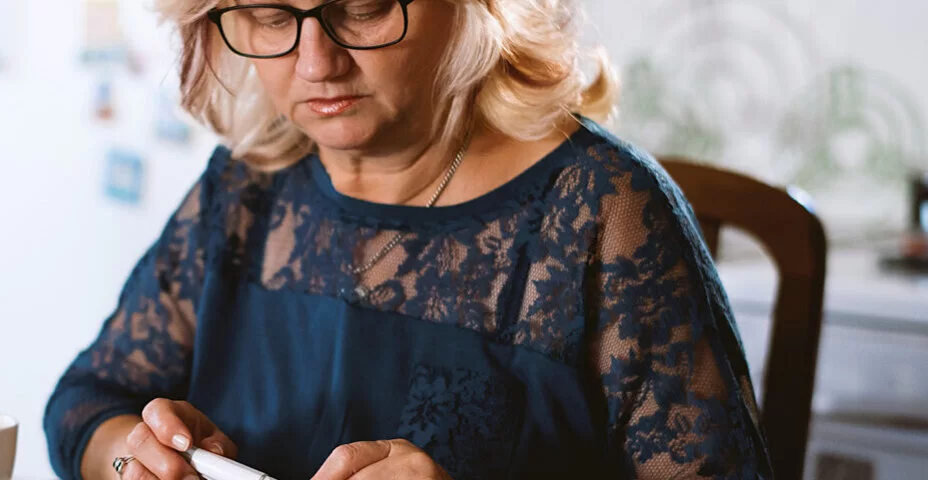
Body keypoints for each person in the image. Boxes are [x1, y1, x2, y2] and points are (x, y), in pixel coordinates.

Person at [44, 0, 772, 478]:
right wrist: (133, 459)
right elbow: (86, 400)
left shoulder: (600, 212)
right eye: (270, 14)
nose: (316, 61)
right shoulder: (245, 189)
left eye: (361, 8)